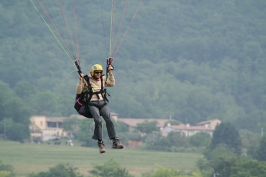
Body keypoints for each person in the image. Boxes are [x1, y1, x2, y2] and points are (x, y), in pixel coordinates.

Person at [75, 63, 124, 153]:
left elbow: (112, 83)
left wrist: (110, 72)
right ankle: (100, 143)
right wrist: (80, 81)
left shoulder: (102, 79)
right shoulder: (86, 80)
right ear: (92, 73)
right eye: (96, 73)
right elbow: (78, 91)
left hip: (102, 103)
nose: (98, 74)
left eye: (100, 73)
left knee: (109, 119)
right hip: (92, 104)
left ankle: (115, 141)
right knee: (98, 121)